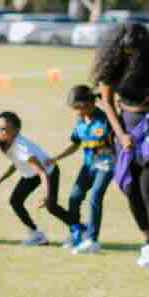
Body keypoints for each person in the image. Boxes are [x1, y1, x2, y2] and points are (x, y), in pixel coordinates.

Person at [91, 23, 149, 265]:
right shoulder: (113, 67)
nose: (133, 55)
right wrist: (121, 135)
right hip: (125, 131)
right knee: (130, 189)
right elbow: (107, 103)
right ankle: (148, 240)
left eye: (137, 50)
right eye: (129, 50)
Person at [0, 113, 70, 245]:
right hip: (32, 175)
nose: (0, 132)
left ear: (16, 130)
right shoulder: (8, 144)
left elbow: (42, 172)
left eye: (5, 129)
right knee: (15, 201)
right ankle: (36, 235)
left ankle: (79, 228)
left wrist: (46, 196)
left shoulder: (22, 148)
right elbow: (16, 163)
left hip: (49, 172)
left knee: (51, 206)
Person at [51, 84, 115, 253]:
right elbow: (75, 144)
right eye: (75, 109)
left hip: (106, 165)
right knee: (74, 196)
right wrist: (56, 158)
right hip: (88, 165)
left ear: (91, 103)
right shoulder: (80, 120)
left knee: (95, 197)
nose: (78, 112)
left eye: (80, 108)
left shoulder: (106, 119)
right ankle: (76, 231)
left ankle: (92, 240)